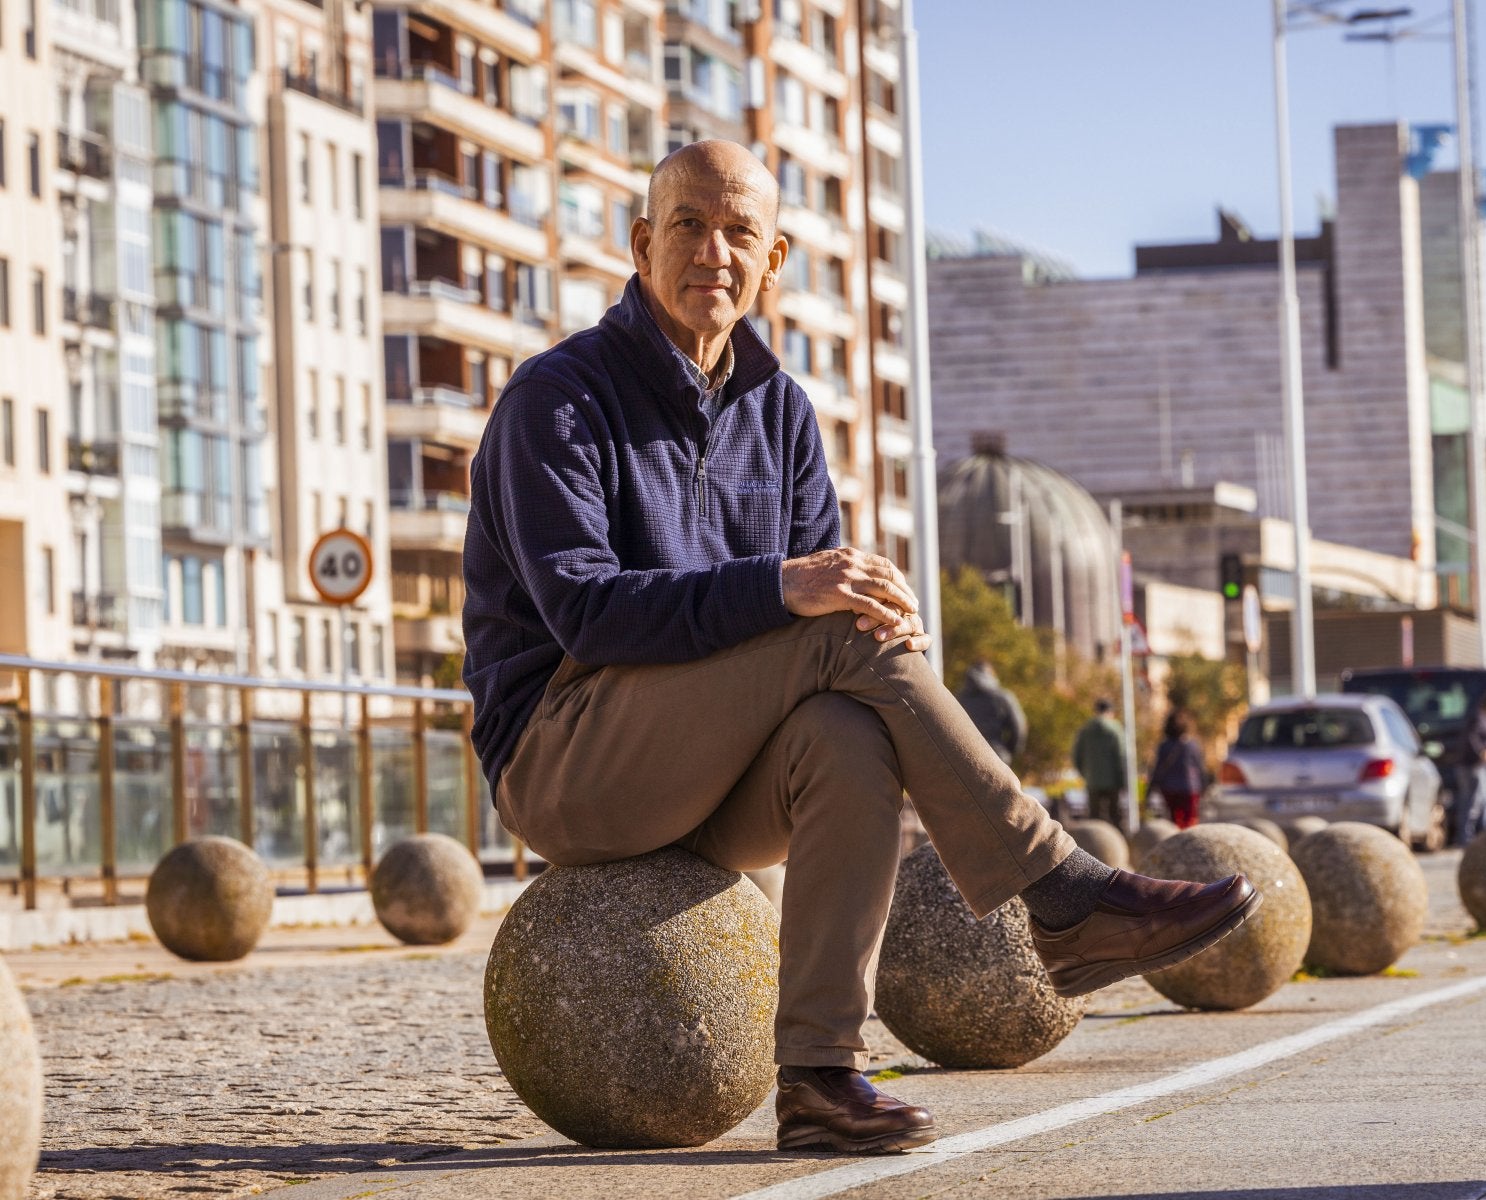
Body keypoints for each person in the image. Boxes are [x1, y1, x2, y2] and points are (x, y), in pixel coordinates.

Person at [461, 140, 1260, 1156]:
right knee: (831, 626)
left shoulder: (781, 413)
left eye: (740, 230)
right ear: (640, 244)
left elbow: (815, 614)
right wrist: (803, 592)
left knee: (846, 731)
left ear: (775, 258)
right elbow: (587, 612)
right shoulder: (558, 398)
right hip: (566, 760)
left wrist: (888, 624)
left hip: (715, 778)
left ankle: (820, 1079)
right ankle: (1058, 894)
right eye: (689, 225)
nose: (714, 249)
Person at [1448, 689, 1486, 846]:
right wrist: (1482, 752)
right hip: (1473, 767)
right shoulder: (1479, 718)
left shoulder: (1485, 718)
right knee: (1473, 803)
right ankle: (1467, 838)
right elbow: (1471, 738)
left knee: (1484, 802)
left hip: (1477, 767)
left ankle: (1483, 837)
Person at [1071, 698, 1132, 827]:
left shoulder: (1085, 730)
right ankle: (1117, 843)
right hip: (1113, 780)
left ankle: (1093, 845)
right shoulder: (1116, 728)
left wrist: (1085, 773)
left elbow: (1076, 756)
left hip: (1092, 779)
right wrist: (1123, 780)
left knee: (1094, 817)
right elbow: (1121, 755)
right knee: (1115, 816)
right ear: (1110, 712)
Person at [956, 660, 1028, 765]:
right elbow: (1019, 727)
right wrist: (1010, 751)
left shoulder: (958, 699)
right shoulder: (1003, 697)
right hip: (996, 757)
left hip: (964, 759)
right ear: (991, 675)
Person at [1148, 709, 1209, 829]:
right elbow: (1200, 768)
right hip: (1190, 788)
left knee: (1173, 820)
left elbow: (1158, 768)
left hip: (1169, 787)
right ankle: (1189, 842)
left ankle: (1176, 841)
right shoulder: (1192, 745)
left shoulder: (1164, 746)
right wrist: (1205, 785)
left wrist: (1151, 787)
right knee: (1189, 821)